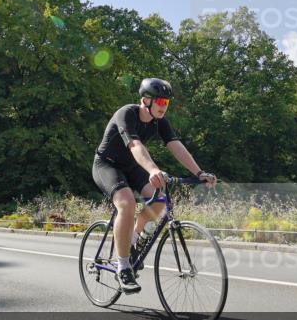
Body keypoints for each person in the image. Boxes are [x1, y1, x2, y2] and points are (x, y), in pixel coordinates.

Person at [92, 78, 216, 294]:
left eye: (166, 102)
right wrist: (152, 169)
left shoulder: (161, 122)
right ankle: (123, 268)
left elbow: (176, 147)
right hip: (107, 165)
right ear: (145, 100)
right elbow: (135, 145)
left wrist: (199, 172)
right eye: (159, 101)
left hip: (131, 167)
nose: (163, 106)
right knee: (127, 202)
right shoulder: (127, 114)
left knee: (159, 201)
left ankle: (132, 241)